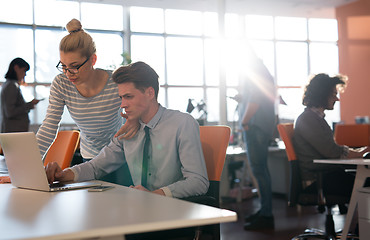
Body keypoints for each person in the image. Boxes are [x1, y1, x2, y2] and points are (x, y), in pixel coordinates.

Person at [45, 61, 209, 199]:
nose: (122, 104)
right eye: (121, 97)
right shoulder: (129, 130)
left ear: (150, 93)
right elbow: (96, 167)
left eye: (128, 97)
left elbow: (198, 181)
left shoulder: (182, 123)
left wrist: (155, 195)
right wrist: (63, 174)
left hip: (172, 211)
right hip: (139, 210)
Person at [36, 19, 138, 173]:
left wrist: (135, 119)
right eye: (63, 66)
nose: (68, 73)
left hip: (121, 155)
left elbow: (141, 107)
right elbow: (49, 126)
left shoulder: (116, 82)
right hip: (90, 157)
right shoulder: (61, 84)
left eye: (75, 66)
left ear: (93, 59)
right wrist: (27, 166)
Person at [293, 73, 369, 198]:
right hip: (318, 180)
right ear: (322, 94)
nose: (337, 99)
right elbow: (331, 151)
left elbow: (331, 150)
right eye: (334, 94)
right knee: (366, 182)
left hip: (325, 175)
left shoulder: (316, 118)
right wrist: (359, 153)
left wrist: (358, 152)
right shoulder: (308, 120)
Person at [236, 54, 276, 230]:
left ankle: (266, 215)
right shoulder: (264, 76)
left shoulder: (253, 75)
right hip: (263, 126)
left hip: (255, 127)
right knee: (262, 172)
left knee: (259, 171)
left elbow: (255, 100)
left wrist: (243, 122)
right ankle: (264, 211)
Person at [1, 58, 40, 133]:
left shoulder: (9, 84)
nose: (25, 74)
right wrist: (29, 105)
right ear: (16, 68)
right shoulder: (11, 86)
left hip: (13, 132)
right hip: (13, 133)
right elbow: (10, 112)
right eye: (24, 70)